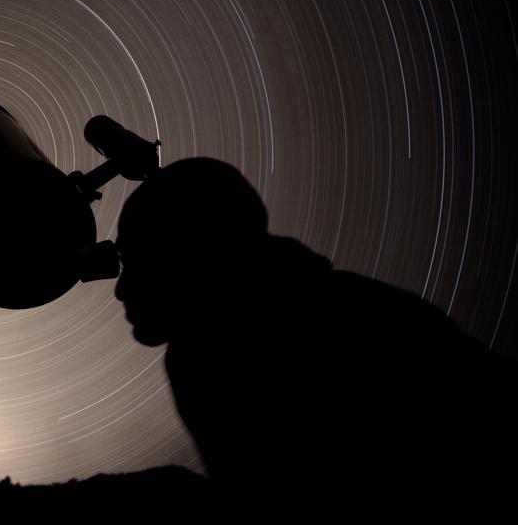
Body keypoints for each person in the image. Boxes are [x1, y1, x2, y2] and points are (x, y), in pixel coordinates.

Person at [113, 157, 517, 518]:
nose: (121, 290)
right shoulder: (353, 306)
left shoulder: (215, 355)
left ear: (191, 258)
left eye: (138, 262)